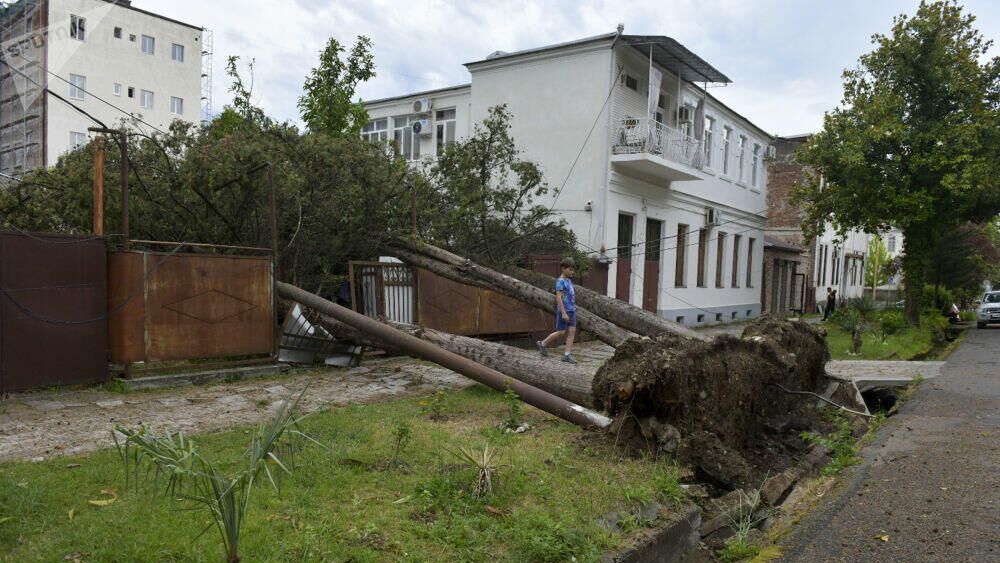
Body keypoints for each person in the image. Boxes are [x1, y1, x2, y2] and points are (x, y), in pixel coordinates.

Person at [537, 257, 578, 364]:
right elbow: (558, 297)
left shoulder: (568, 280)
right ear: (563, 268)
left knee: (572, 331)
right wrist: (563, 312)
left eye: (572, 270)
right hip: (564, 311)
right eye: (570, 269)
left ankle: (567, 355)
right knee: (561, 332)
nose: (571, 271)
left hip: (572, 310)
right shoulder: (560, 282)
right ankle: (543, 343)